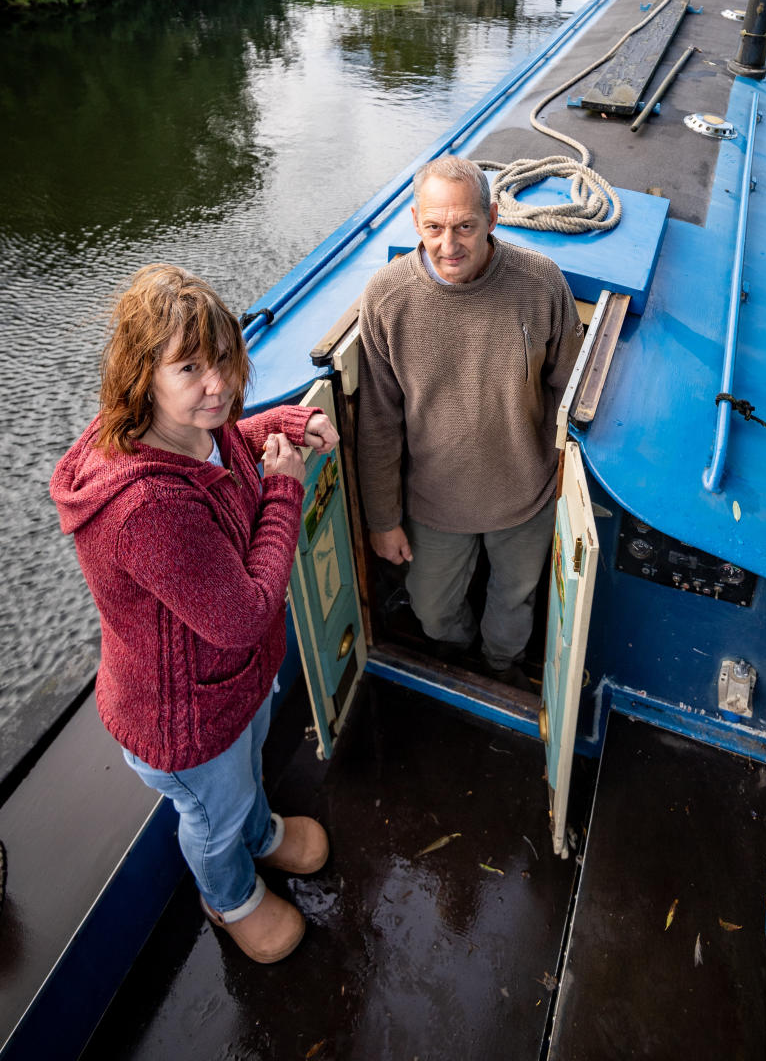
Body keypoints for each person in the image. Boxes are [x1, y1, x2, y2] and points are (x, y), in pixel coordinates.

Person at [50, 264, 339, 964]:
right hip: (183, 718)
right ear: (143, 376)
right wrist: (284, 492)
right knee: (211, 815)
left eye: (225, 361)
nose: (219, 385)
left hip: (231, 688)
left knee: (242, 785)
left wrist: (292, 419)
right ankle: (231, 897)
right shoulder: (146, 509)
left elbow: (232, 439)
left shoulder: (186, 426)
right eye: (189, 369)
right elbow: (241, 615)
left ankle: (259, 832)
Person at [357, 156, 583, 684]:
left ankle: (501, 668)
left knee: (516, 602)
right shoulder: (386, 298)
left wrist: (564, 482)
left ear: (493, 218)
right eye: (434, 227)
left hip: (526, 493)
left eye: (465, 226)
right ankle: (456, 654)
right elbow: (378, 425)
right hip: (435, 501)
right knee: (432, 610)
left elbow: (569, 389)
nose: (449, 244)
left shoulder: (541, 283)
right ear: (416, 222)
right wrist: (383, 520)